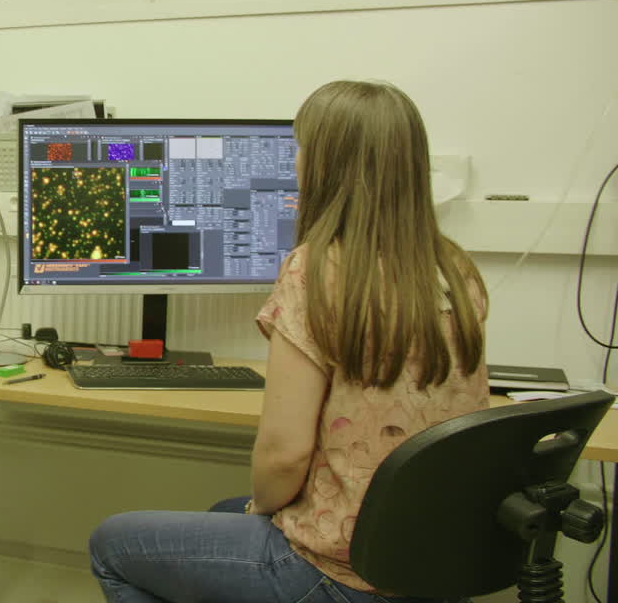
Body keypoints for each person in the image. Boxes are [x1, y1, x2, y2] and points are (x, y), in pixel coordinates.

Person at [89, 80, 489, 603]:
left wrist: (262, 507)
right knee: (221, 514)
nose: (295, 164)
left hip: (341, 569)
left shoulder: (317, 271)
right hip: (425, 558)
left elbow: (283, 455)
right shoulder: (454, 269)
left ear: (325, 166)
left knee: (111, 546)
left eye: (301, 150)